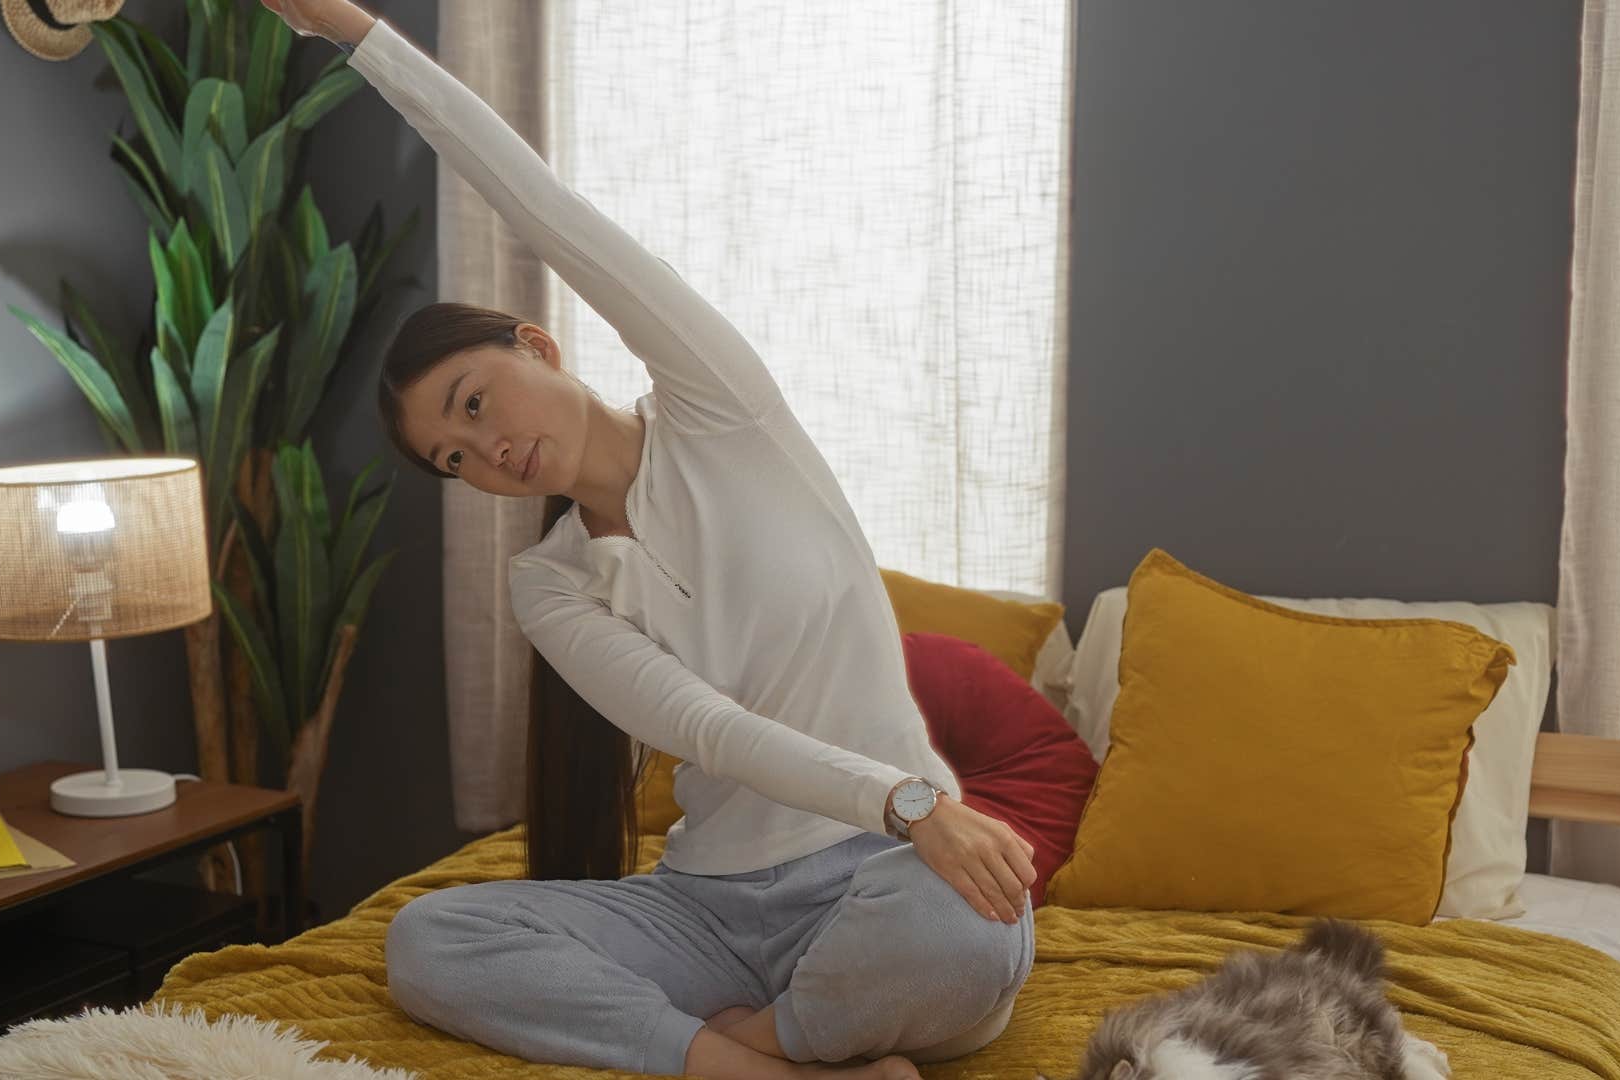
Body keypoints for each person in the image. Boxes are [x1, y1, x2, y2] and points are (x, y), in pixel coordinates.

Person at [259, 3, 1039, 1078]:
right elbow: (703, 728)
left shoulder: (725, 417)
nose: (485, 454)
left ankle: (750, 1043)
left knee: (965, 927)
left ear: (536, 343)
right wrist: (901, 801)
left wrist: (362, 37)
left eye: (476, 404)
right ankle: (775, 1066)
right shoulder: (551, 586)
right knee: (430, 939)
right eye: (454, 458)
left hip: (884, 866)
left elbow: (545, 208)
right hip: (708, 910)